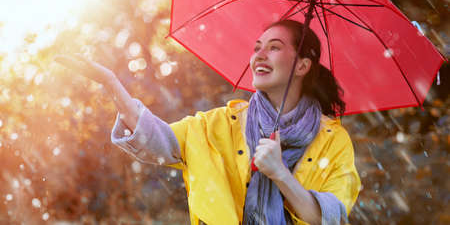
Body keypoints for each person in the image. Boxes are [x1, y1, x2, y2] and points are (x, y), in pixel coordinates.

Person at [55, 19, 360, 225]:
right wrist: (111, 84)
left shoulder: (333, 141)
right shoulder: (219, 124)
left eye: (274, 47)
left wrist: (279, 173)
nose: (259, 56)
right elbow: (157, 140)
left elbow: (326, 218)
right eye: (257, 47)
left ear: (303, 65)